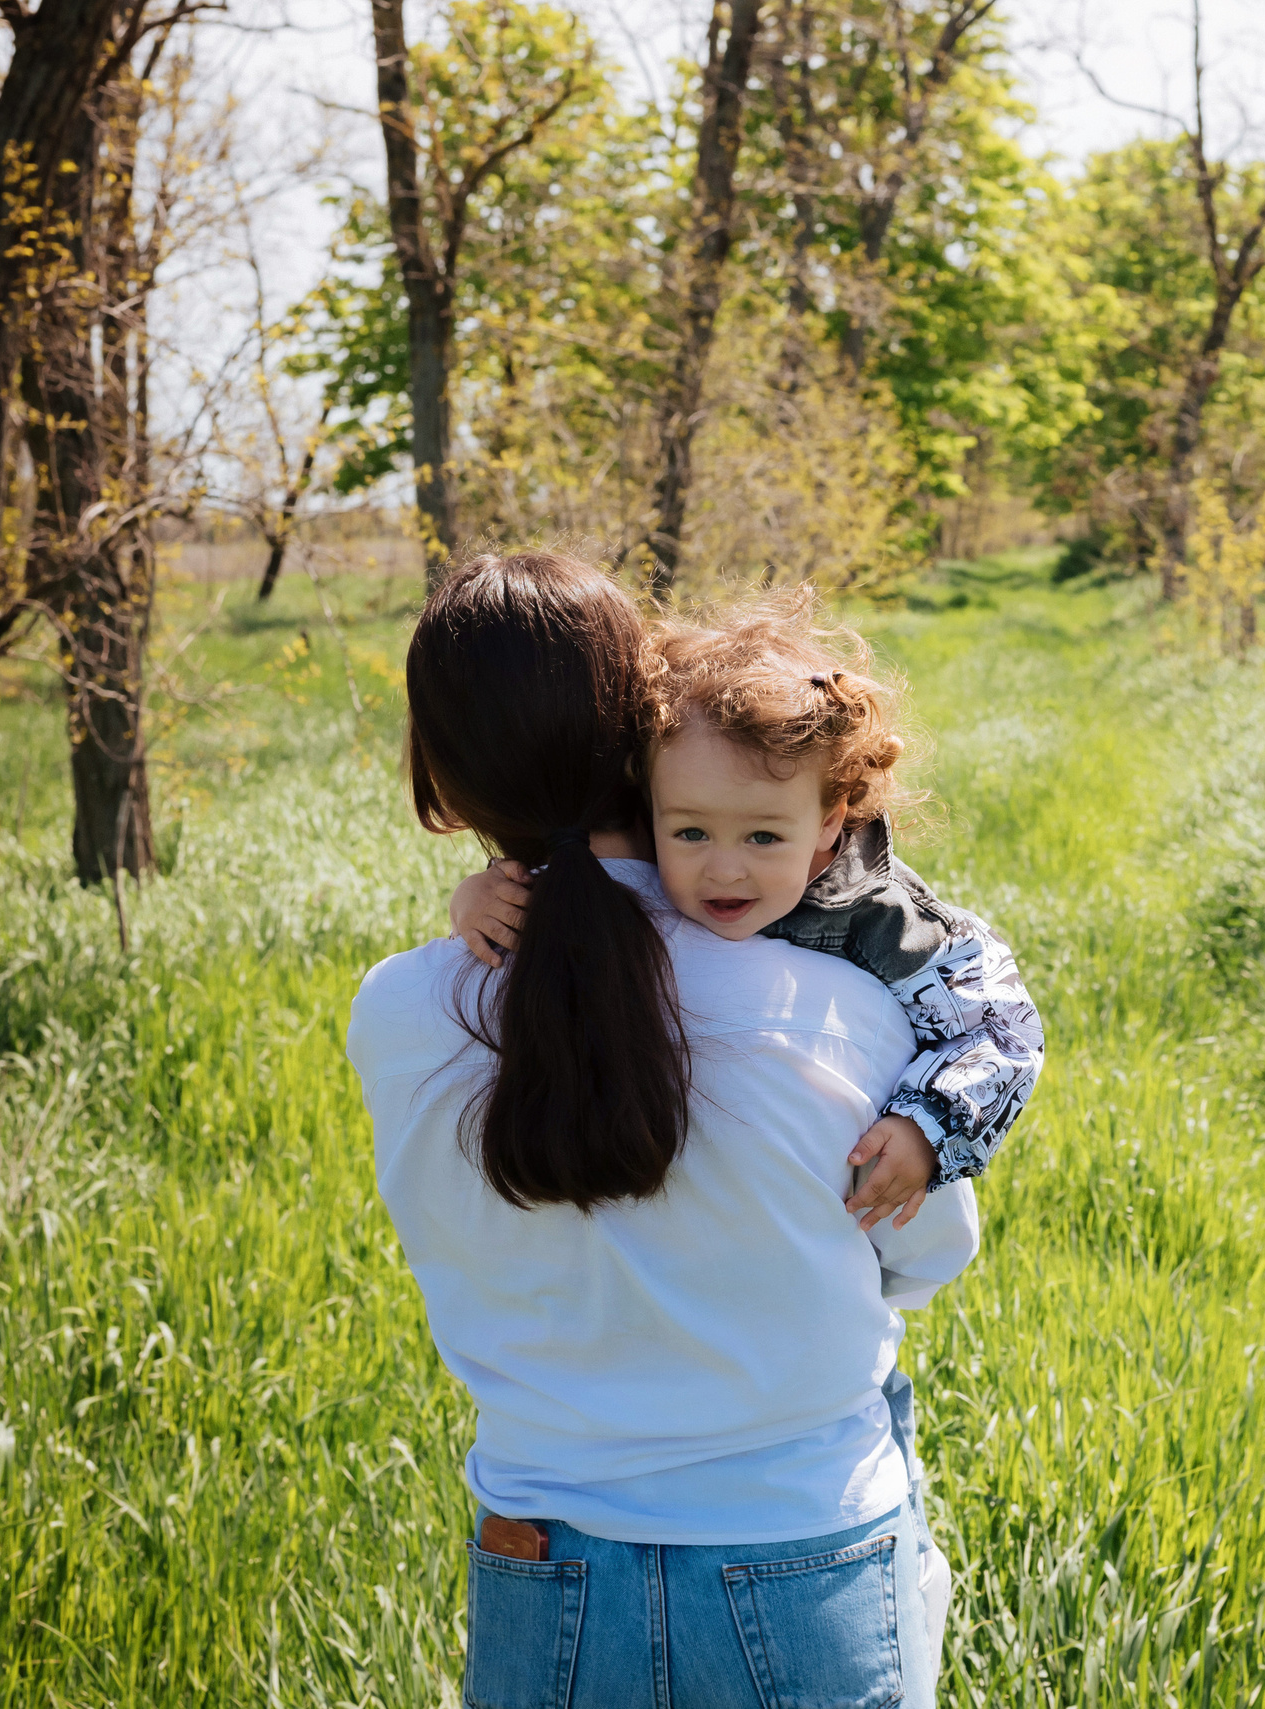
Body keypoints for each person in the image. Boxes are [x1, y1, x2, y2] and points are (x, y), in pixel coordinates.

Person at [349, 551, 978, 1709]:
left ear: (437, 781)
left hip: (545, 1555)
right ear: (638, 741)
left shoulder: (397, 1013)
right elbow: (928, 1251)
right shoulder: (837, 1007)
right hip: (804, 1538)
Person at [449, 594, 1044, 1231]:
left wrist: (928, 1126)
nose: (725, 871)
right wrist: (484, 893)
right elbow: (574, 880)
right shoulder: (665, 833)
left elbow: (1006, 1030)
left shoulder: (888, 920)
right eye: (690, 834)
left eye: (763, 838)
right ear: (648, 806)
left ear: (827, 822)